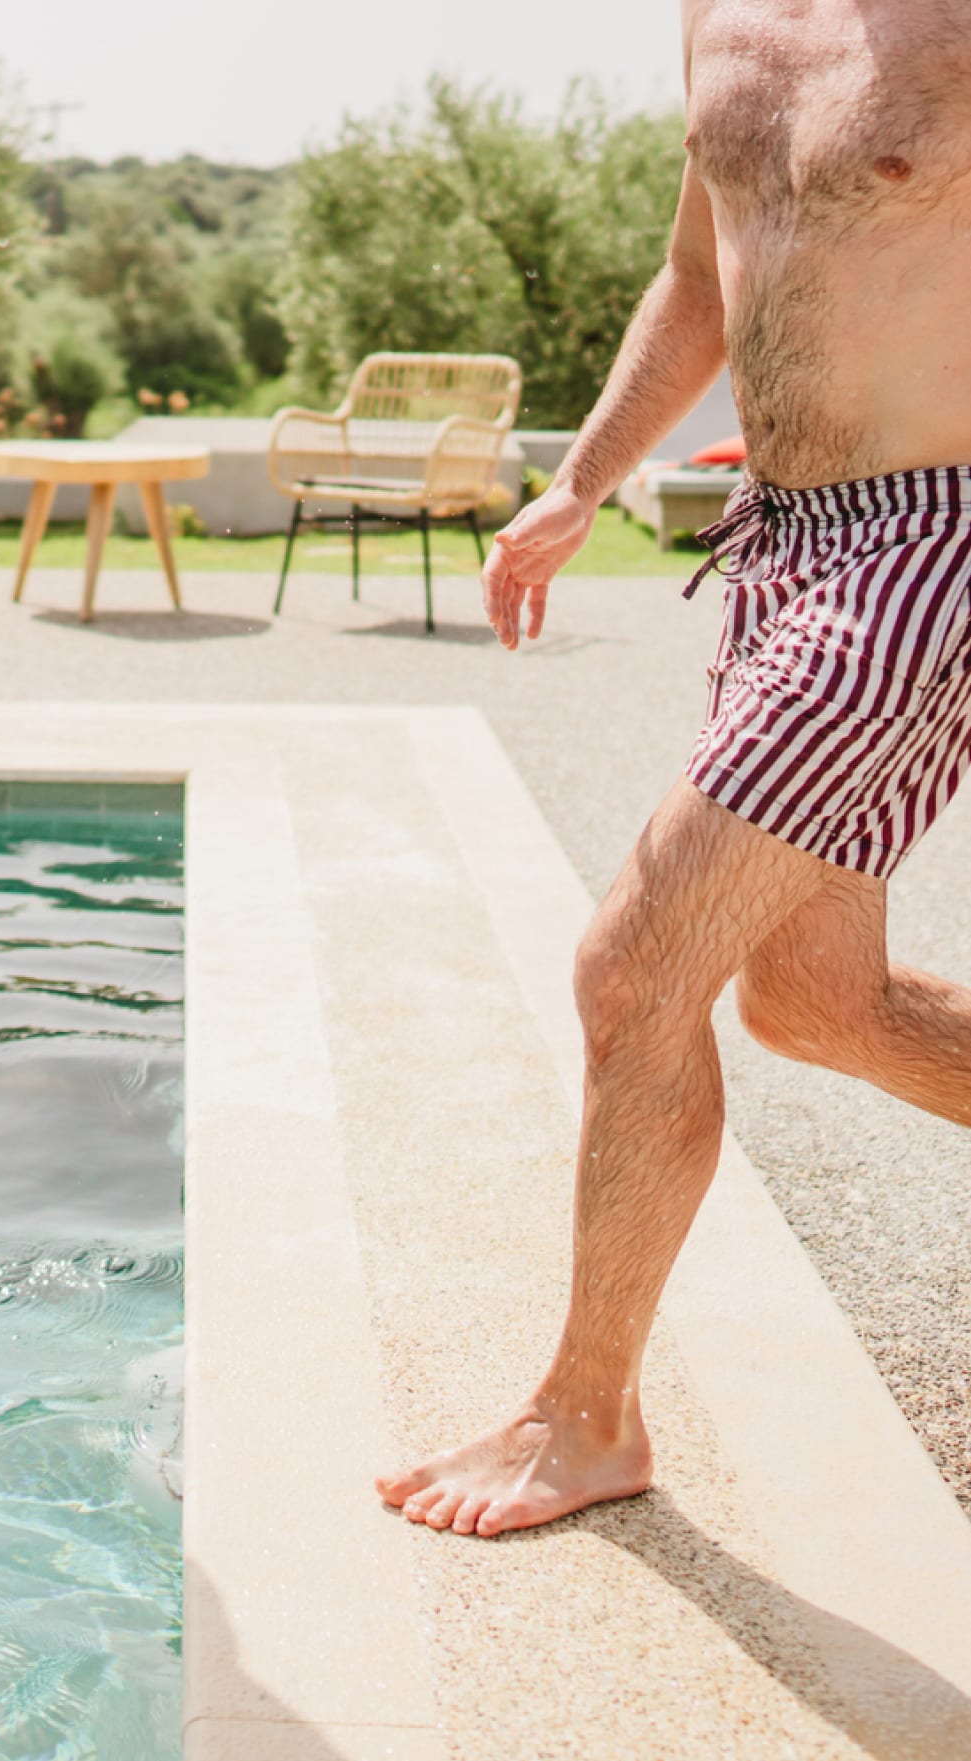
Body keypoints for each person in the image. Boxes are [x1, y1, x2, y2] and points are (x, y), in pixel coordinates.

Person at [379, 0, 971, 1537]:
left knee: (632, 969)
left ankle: (585, 1417)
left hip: (933, 545)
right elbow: (700, 274)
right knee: (816, 1003)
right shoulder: (719, 15)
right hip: (785, 542)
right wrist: (579, 481)